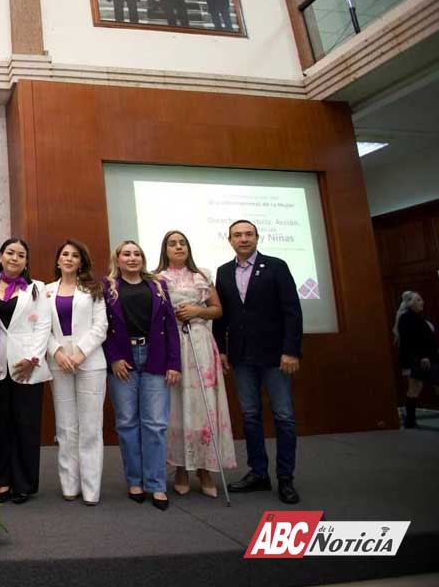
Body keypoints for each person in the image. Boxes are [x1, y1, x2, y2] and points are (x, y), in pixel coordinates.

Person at [214, 219, 303, 505]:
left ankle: (286, 478)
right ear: (229, 240)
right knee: (250, 416)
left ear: (257, 237)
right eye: (237, 235)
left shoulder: (276, 266)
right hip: (241, 357)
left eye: (248, 234)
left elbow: (292, 311)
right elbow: (223, 317)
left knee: (284, 416)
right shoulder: (223, 272)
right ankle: (258, 473)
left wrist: (291, 351)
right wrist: (222, 350)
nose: (243, 239)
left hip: (276, 356)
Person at [154, 230, 236, 497]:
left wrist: (197, 311)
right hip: (173, 344)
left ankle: (206, 468)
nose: (178, 247)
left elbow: (218, 309)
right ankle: (180, 467)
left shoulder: (201, 275)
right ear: (164, 250)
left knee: (203, 404)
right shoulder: (157, 278)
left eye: (182, 243)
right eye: (172, 244)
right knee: (175, 404)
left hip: (200, 342)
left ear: (188, 248)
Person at [103, 240, 181, 511]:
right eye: (127, 253)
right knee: (126, 423)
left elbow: (170, 326)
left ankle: (157, 484)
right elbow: (101, 327)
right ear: (118, 258)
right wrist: (113, 358)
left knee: (156, 424)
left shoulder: (158, 285)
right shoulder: (107, 287)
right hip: (122, 361)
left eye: (137, 254)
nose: (132, 258)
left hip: (155, 358)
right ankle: (134, 481)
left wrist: (174, 363)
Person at [0, 238, 52, 505]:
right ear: (0, 256)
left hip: (27, 366)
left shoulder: (37, 288)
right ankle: (3, 481)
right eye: (10, 252)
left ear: (26, 261)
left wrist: (33, 358)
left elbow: (44, 325)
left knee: (26, 425)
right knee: (0, 425)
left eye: (20, 254)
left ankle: (24, 483)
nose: (14, 257)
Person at [46, 240, 107, 505]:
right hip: (59, 363)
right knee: (66, 427)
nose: (69, 258)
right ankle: (70, 485)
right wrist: (58, 352)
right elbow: (41, 329)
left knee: (91, 427)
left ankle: (91, 490)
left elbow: (100, 326)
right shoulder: (44, 291)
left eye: (74, 255)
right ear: (58, 261)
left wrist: (80, 353)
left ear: (81, 261)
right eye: (64, 254)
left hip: (90, 363)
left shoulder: (94, 289)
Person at [394, 291, 437, 429]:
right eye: (418, 300)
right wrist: (422, 356)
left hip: (423, 358)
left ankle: (410, 421)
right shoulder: (407, 318)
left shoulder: (417, 318)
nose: (422, 302)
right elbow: (411, 341)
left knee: (415, 388)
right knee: (415, 387)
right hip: (418, 359)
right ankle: (410, 420)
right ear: (410, 303)